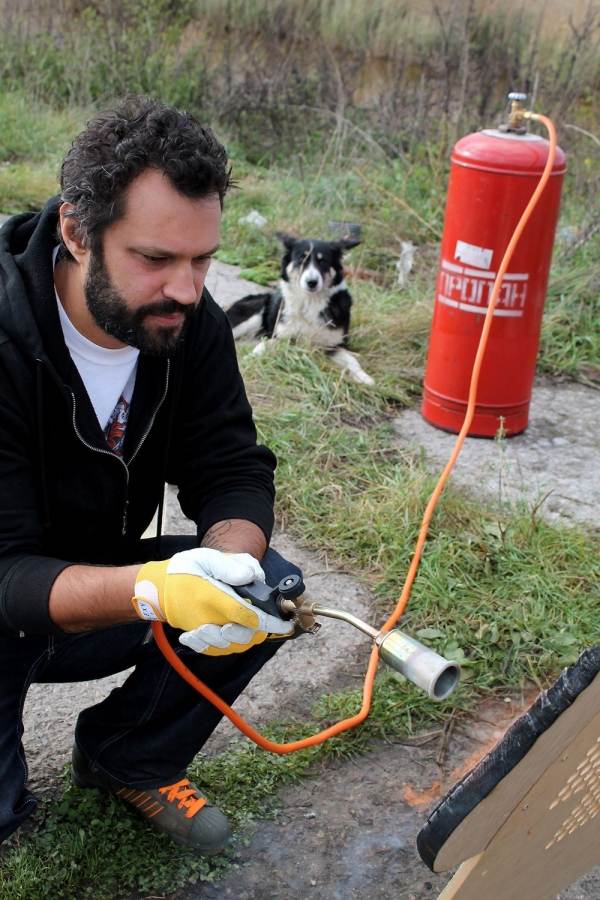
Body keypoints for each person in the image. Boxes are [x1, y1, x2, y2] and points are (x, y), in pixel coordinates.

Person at [0, 96, 301, 853]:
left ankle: (127, 753)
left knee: (268, 586)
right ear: (76, 232)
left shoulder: (184, 320)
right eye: (156, 259)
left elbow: (230, 461)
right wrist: (150, 590)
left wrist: (233, 561)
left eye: (203, 258)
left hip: (80, 585)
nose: (190, 290)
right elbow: (5, 575)